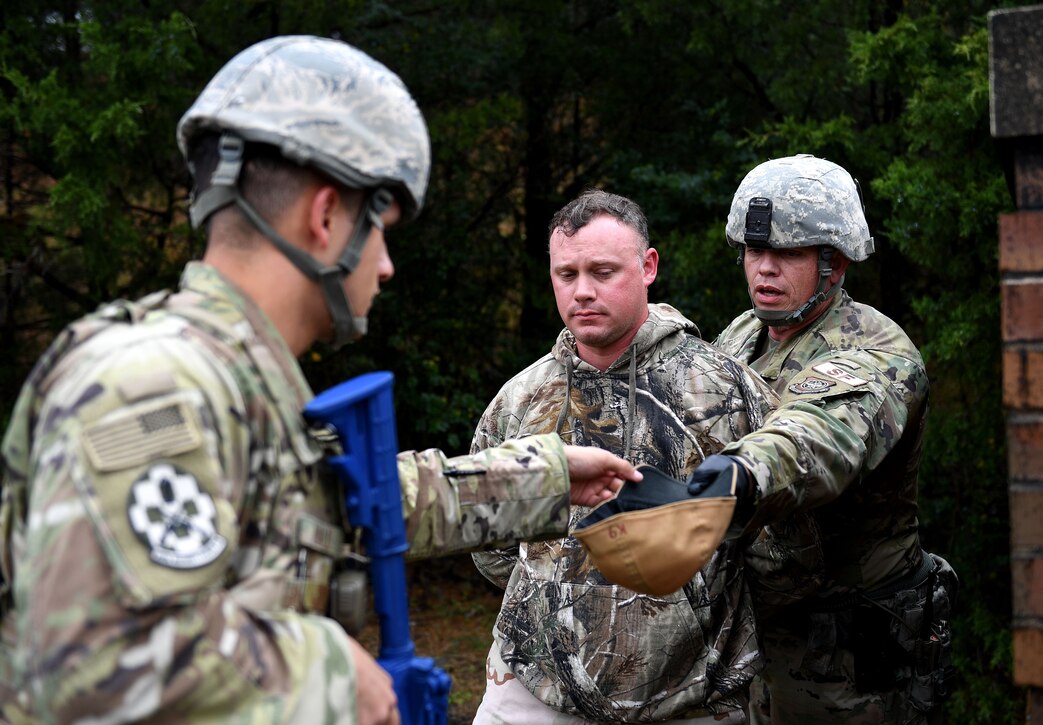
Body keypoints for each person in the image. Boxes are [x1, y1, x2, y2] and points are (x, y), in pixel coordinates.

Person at [0, 36, 642, 725]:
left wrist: (546, 475)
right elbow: (96, 659)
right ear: (327, 216)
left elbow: (342, 504)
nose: (387, 265)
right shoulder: (156, 383)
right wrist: (333, 674)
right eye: (382, 231)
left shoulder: (227, 378)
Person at [471, 189, 778, 724]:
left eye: (603, 271)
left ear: (648, 266)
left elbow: (784, 544)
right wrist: (560, 595)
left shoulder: (724, 391)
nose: (582, 292)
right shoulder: (521, 400)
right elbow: (488, 540)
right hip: (532, 690)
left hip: (691, 699)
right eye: (566, 275)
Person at [687, 154, 957, 723]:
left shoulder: (877, 352)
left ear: (833, 264)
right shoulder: (745, 333)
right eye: (755, 252)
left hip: (847, 663)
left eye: (787, 253)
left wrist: (737, 473)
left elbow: (818, 437)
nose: (764, 269)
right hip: (756, 641)